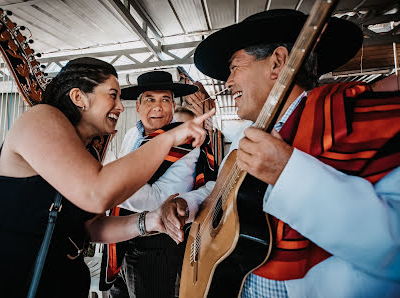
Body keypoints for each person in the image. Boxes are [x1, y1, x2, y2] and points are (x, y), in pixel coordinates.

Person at [160, 9, 400, 298]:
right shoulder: (248, 136)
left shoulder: (364, 121)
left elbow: (392, 249)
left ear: (276, 64)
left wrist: (288, 173)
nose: (227, 82)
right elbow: (224, 189)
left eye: (235, 67)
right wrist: (187, 201)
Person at [0, 57, 214, 298]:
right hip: (6, 285)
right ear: (79, 97)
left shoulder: (86, 149)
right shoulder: (40, 118)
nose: (120, 107)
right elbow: (97, 194)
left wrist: (150, 220)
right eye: (113, 96)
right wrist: (170, 137)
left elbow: (89, 227)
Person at [104, 70, 216, 298]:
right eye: (150, 99)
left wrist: (107, 181)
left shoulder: (186, 141)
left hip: (154, 246)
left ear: (173, 106)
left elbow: (160, 200)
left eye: (165, 100)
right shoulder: (131, 135)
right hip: (121, 237)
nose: (158, 107)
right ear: (137, 106)